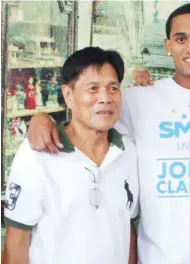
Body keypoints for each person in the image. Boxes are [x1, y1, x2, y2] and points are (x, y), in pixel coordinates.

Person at [26, 3, 190, 264]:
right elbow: (86, 122)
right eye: (181, 39)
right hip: (155, 258)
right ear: (168, 45)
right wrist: (41, 118)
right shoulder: (137, 99)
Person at [3, 47, 139, 264]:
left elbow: (127, 229)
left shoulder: (128, 152)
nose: (105, 98)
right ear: (68, 95)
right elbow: (17, 242)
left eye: (113, 88)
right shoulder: (37, 154)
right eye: (93, 89)